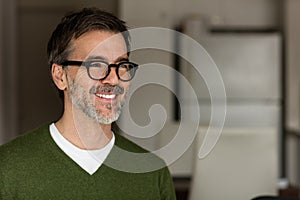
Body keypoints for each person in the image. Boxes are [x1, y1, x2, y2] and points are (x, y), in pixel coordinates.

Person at [0, 7, 176, 199]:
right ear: (60, 76)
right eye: (96, 65)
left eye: (122, 65)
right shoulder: (8, 167)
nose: (113, 79)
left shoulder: (153, 173)